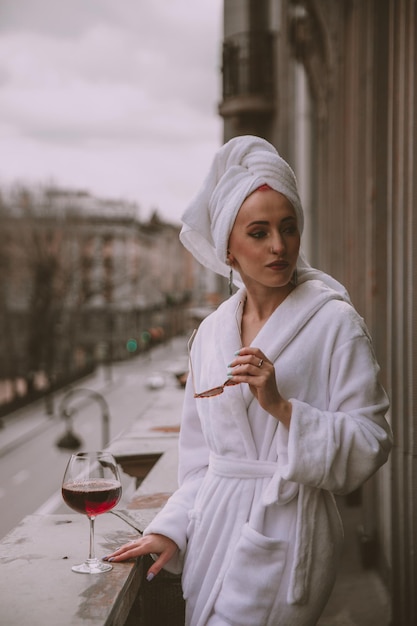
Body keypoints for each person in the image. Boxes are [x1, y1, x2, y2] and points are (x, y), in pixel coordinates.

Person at [104, 136, 392, 625]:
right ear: (228, 248)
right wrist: (172, 529)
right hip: (213, 535)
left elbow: (372, 441)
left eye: (288, 228)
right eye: (259, 232)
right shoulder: (211, 335)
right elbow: (200, 462)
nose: (278, 245)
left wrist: (282, 407)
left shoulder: (333, 322)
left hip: (287, 531)